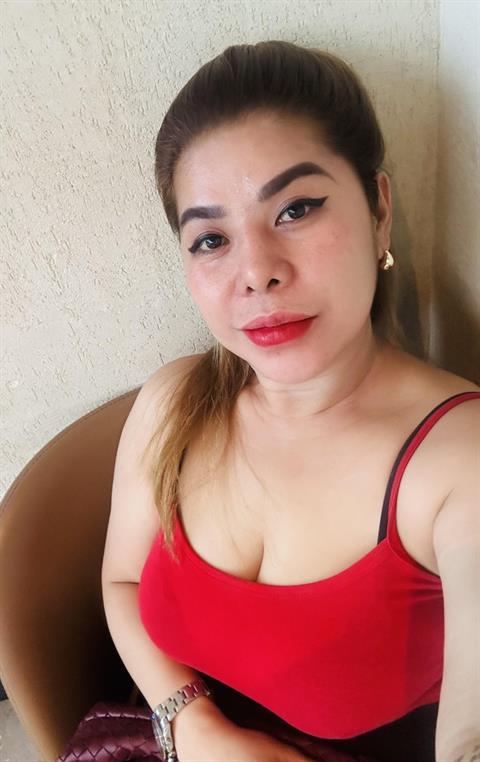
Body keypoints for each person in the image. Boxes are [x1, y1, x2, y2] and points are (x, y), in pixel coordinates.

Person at [101, 41, 480, 762]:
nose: (257, 273)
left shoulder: (460, 459)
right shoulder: (172, 404)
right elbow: (120, 581)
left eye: (295, 209)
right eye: (210, 238)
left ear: (379, 209)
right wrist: (194, 727)